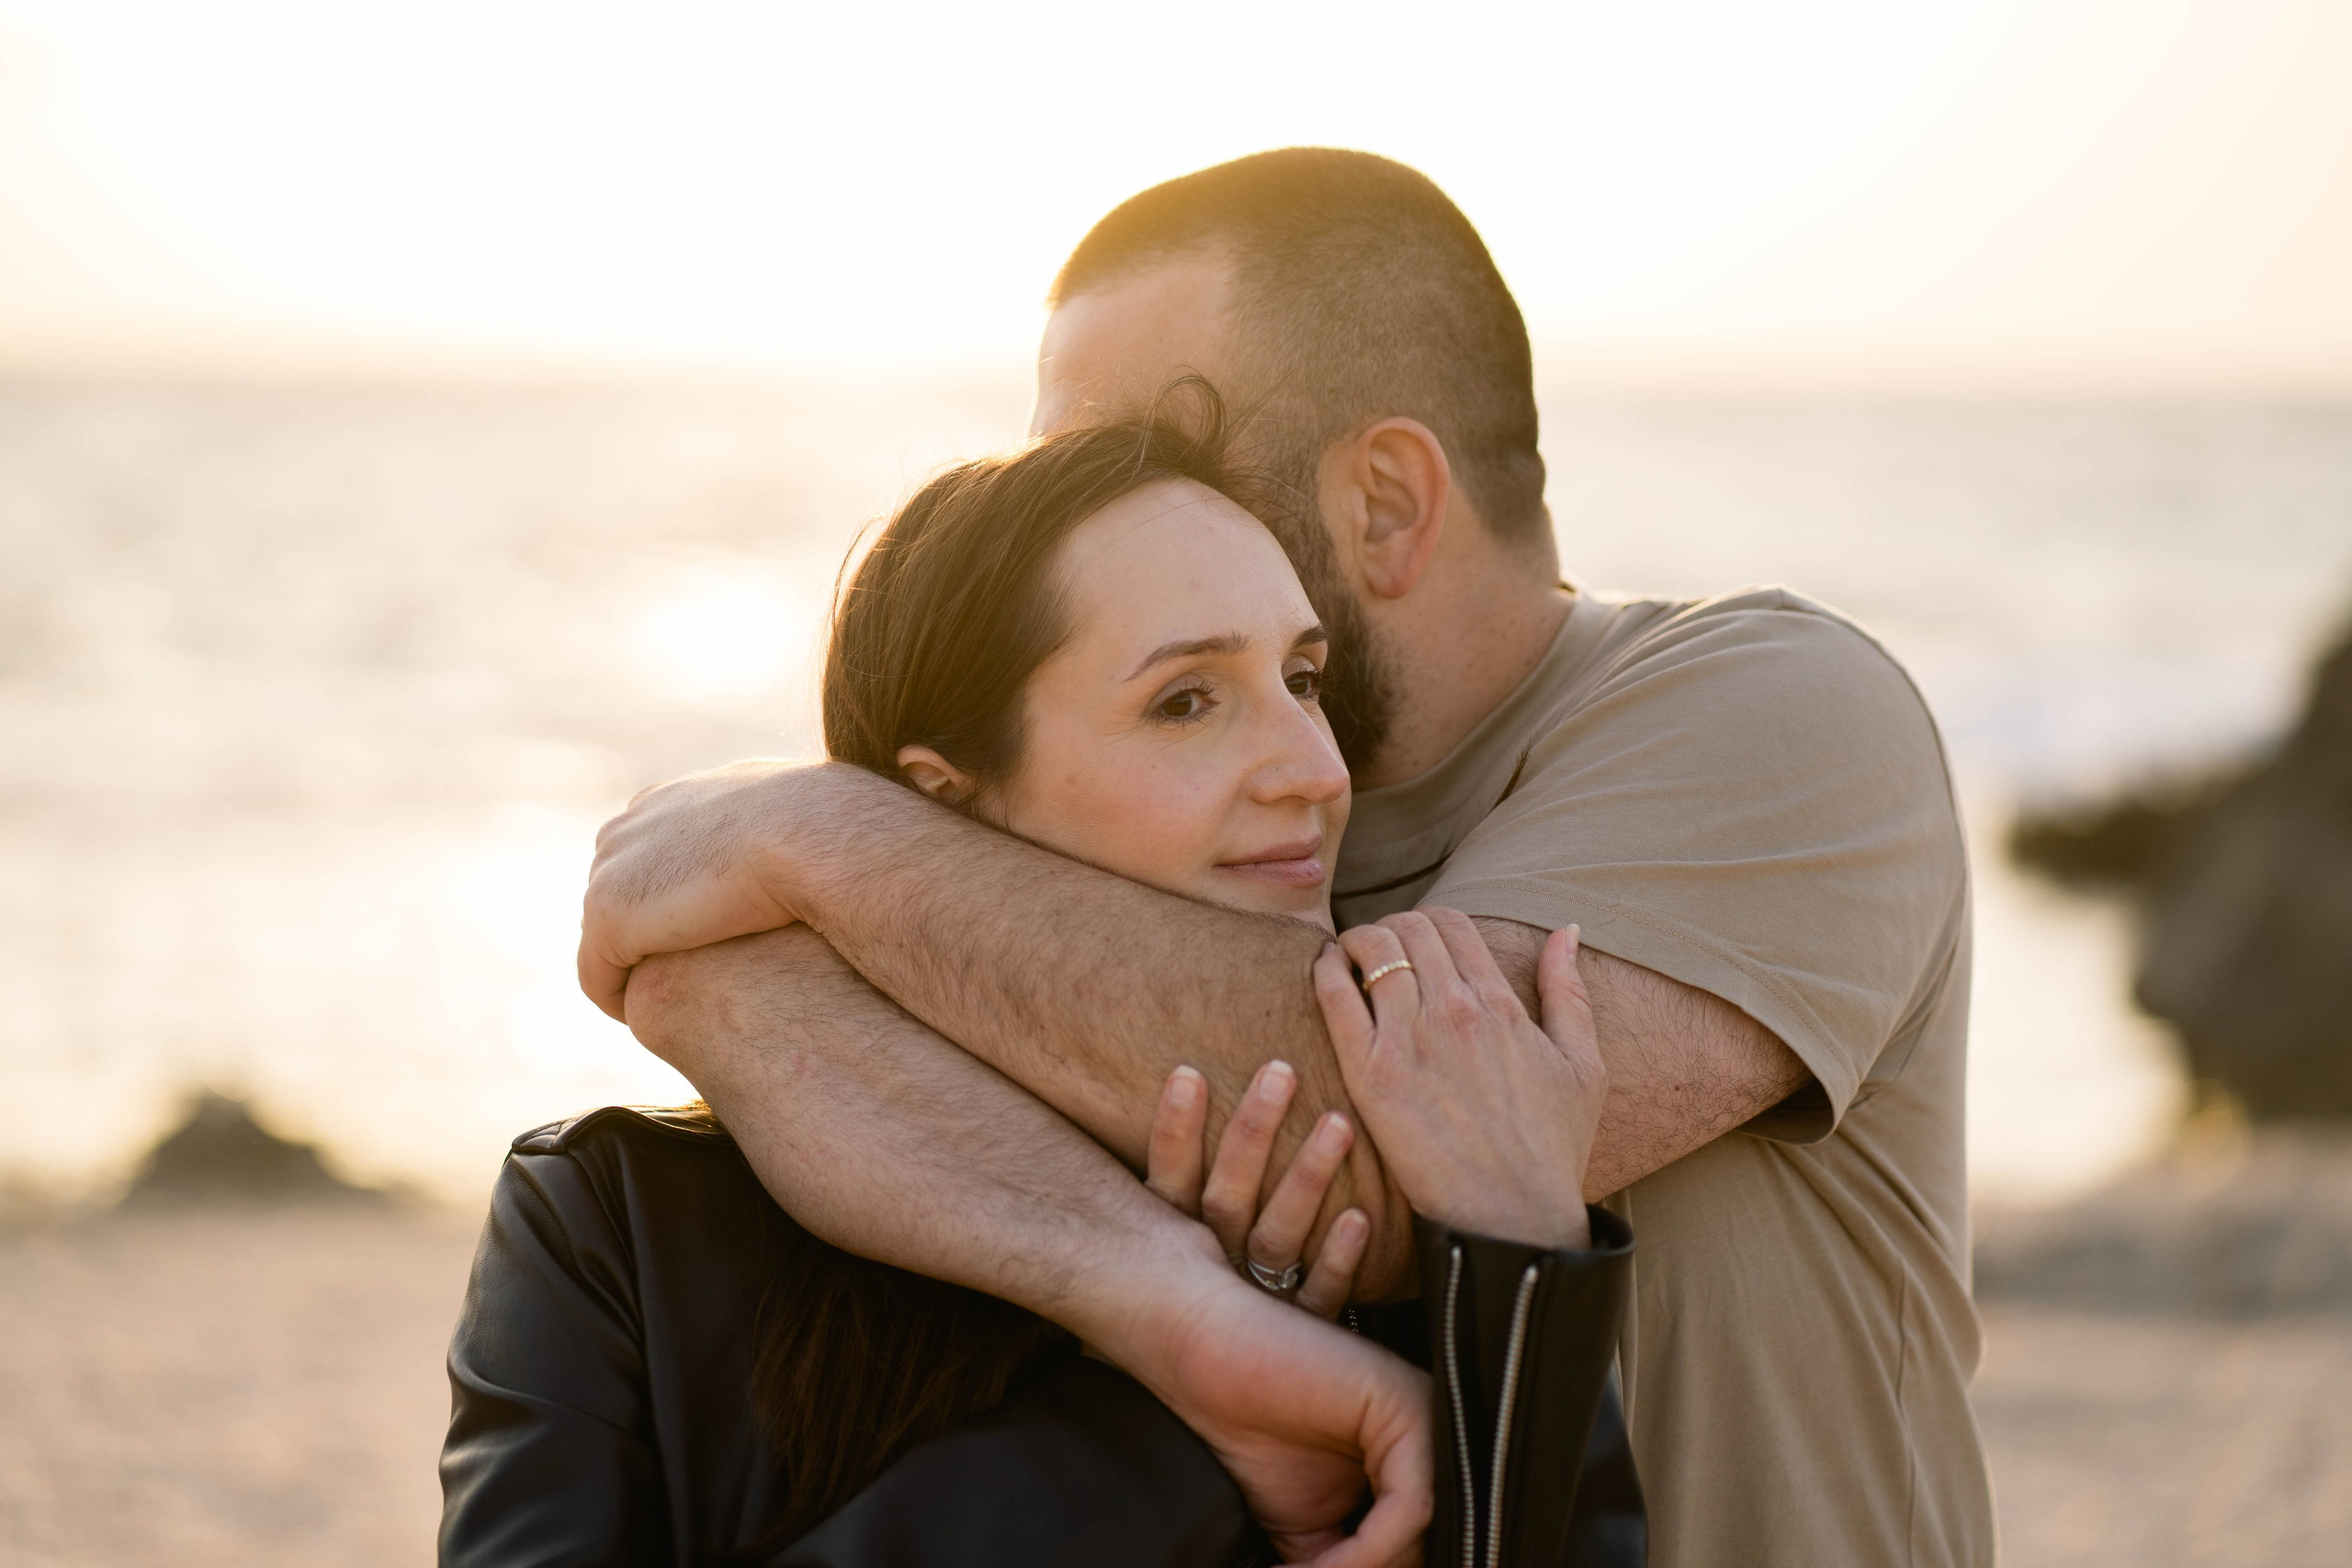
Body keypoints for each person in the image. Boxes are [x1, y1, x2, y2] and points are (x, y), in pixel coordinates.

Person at [582, 148, 1996, 1568]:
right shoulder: (1167, 838)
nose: (1085, 501)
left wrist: (797, 848)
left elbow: (1376, 1160)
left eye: (1158, 450)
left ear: (1383, 503)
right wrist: (734, 984)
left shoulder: (1774, 709)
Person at [444, 400, 1641, 1565]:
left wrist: (1522, 1255)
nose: (1311, 769)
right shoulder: (620, 1229)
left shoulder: (1424, 1196)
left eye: (1304, 679)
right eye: (1186, 701)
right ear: (940, 803)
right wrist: (1183, 1391)